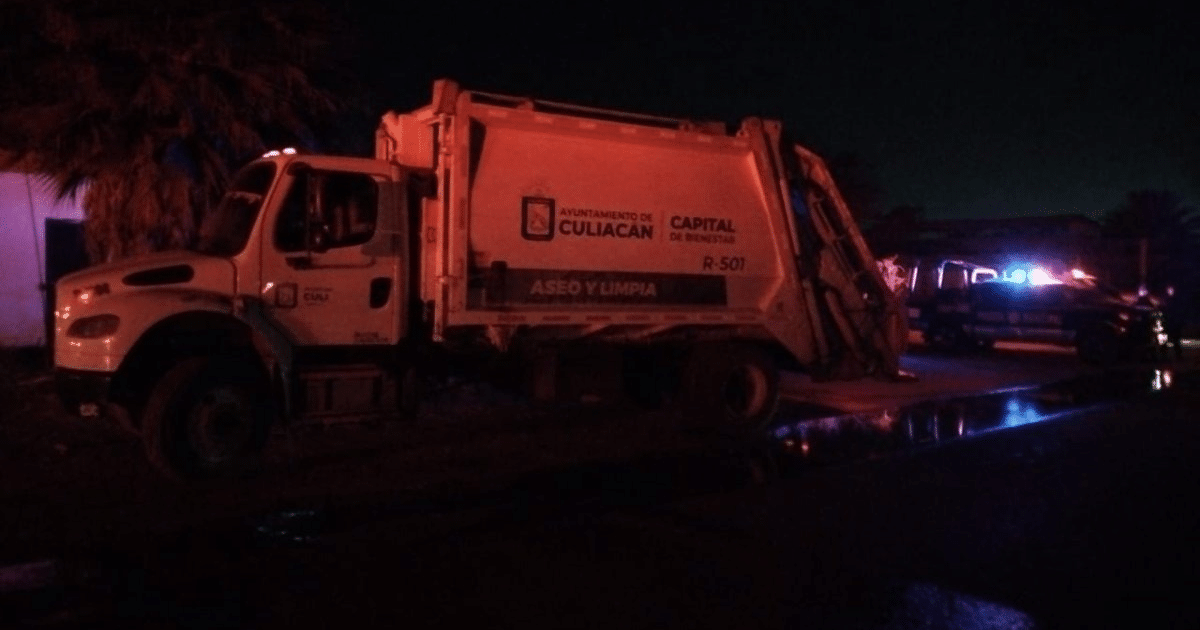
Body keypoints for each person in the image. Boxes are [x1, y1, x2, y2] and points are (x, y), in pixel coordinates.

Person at [1161, 285, 1185, 360]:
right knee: (1165, 339)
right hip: (1167, 322)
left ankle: (1178, 355)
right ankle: (1164, 355)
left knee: (1176, 340)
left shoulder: (1176, 301)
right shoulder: (1165, 300)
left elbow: (1179, 311)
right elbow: (1163, 311)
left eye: (1171, 290)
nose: (1170, 291)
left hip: (1174, 322)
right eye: (1169, 290)